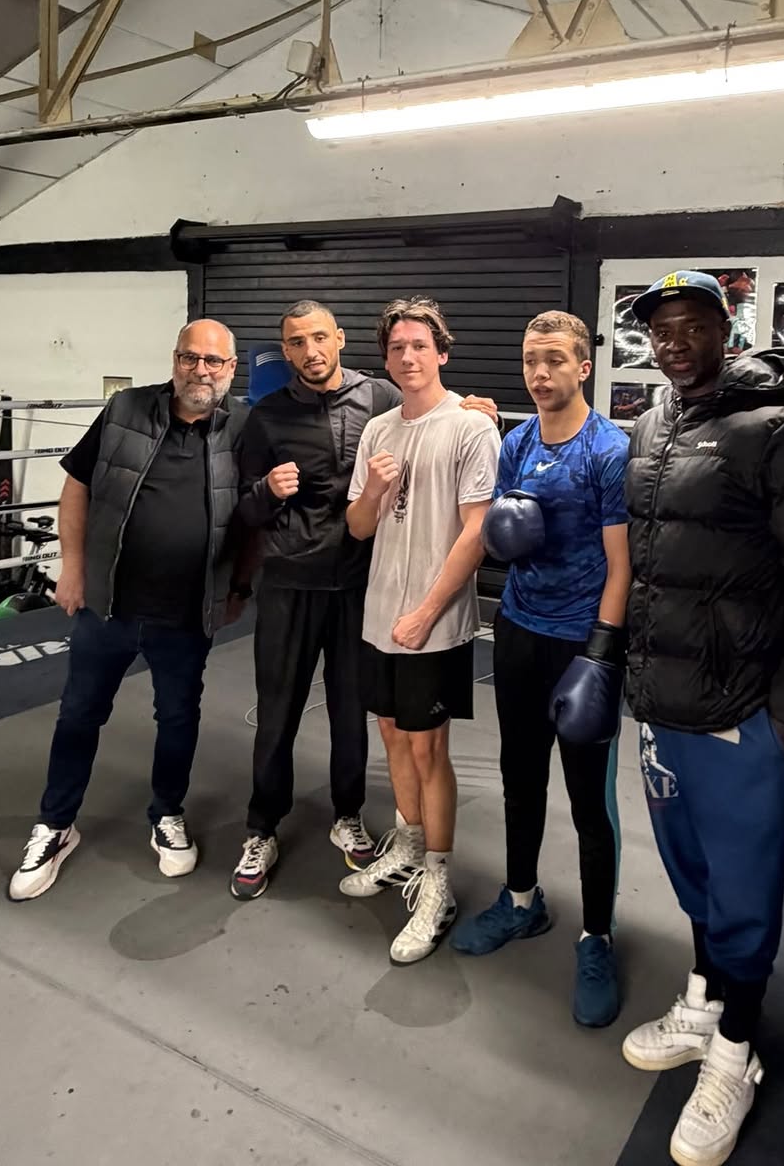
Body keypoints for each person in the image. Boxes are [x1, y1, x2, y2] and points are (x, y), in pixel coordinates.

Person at [619, 270, 784, 1166]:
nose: (674, 342)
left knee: (745, 894)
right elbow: (650, 569)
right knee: (693, 876)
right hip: (664, 707)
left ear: (727, 330)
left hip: (741, 718)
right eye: (661, 330)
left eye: (692, 325)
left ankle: (735, 1052)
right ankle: (704, 1001)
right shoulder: (652, 425)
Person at [228, 300, 497, 901]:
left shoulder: (378, 397)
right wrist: (267, 492)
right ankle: (261, 828)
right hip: (292, 584)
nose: (310, 351)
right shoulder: (265, 417)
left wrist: (478, 409)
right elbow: (243, 508)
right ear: (285, 350)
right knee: (278, 711)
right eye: (297, 342)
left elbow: (431, 409)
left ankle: (348, 815)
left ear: (340, 339)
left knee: (356, 713)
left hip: (360, 585)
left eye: (319, 337)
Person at [8, 321, 250, 901]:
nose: (200, 370)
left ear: (231, 368)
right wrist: (71, 566)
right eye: (190, 358)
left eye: (213, 361)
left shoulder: (244, 426)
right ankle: (55, 825)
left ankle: (167, 814)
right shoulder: (125, 410)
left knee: (178, 718)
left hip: (187, 612)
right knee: (78, 715)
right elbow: (77, 485)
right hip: (109, 605)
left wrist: (240, 587)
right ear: (175, 359)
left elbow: (256, 509)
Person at [451, 311, 631, 1029]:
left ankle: (597, 938)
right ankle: (522, 900)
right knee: (519, 778)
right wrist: (505, 535)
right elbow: (503, 539)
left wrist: (601, 652)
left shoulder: (608, 449)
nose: (540, 372)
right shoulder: (517, 442)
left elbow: (622, 565)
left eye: (554, 359)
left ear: (583, 367)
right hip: (519, 632)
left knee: (590, 803)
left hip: (581, 643)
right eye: (531, 359)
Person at [341, 298, 499, 965]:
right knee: (390, 732)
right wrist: (375, 491)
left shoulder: (470, 426)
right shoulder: (378, 430)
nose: (408, 356)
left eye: (419, 345)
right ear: (386, 358)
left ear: (442, 352)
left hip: (434, 621)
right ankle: (407, 843)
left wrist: (429, 610)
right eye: (396, 347)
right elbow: (358, 527)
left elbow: (478, 531)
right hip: (380, 612)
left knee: (428, 748)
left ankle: (438, 878)